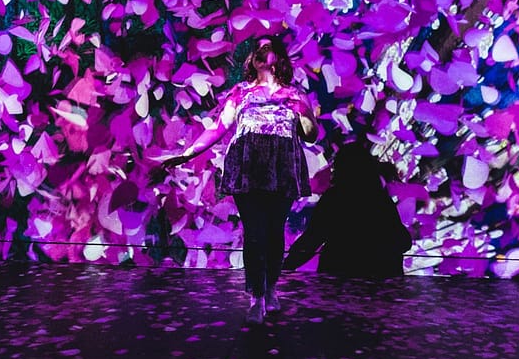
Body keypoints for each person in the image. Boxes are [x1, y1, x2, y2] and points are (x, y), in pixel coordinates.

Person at [160, 35, 318, 323]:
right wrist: (187, 154)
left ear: (279, 57)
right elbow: (219, 127)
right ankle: (256, 296)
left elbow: (310, 134)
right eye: (257, 48)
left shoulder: (294, 94)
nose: (261, 51)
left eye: (268, 47)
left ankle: (270, 288)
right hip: (248, 166)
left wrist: (304, 113)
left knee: (273, 233)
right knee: (255, 233)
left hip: (281, 167)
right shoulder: (241, 92)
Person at [283, 141, 412, 278]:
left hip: (340, 276)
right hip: (379, 280)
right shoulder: (380, 199)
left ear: (341, 168)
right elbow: (403, 242)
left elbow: (313, 238)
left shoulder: (335, 198)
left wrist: (287, 265)